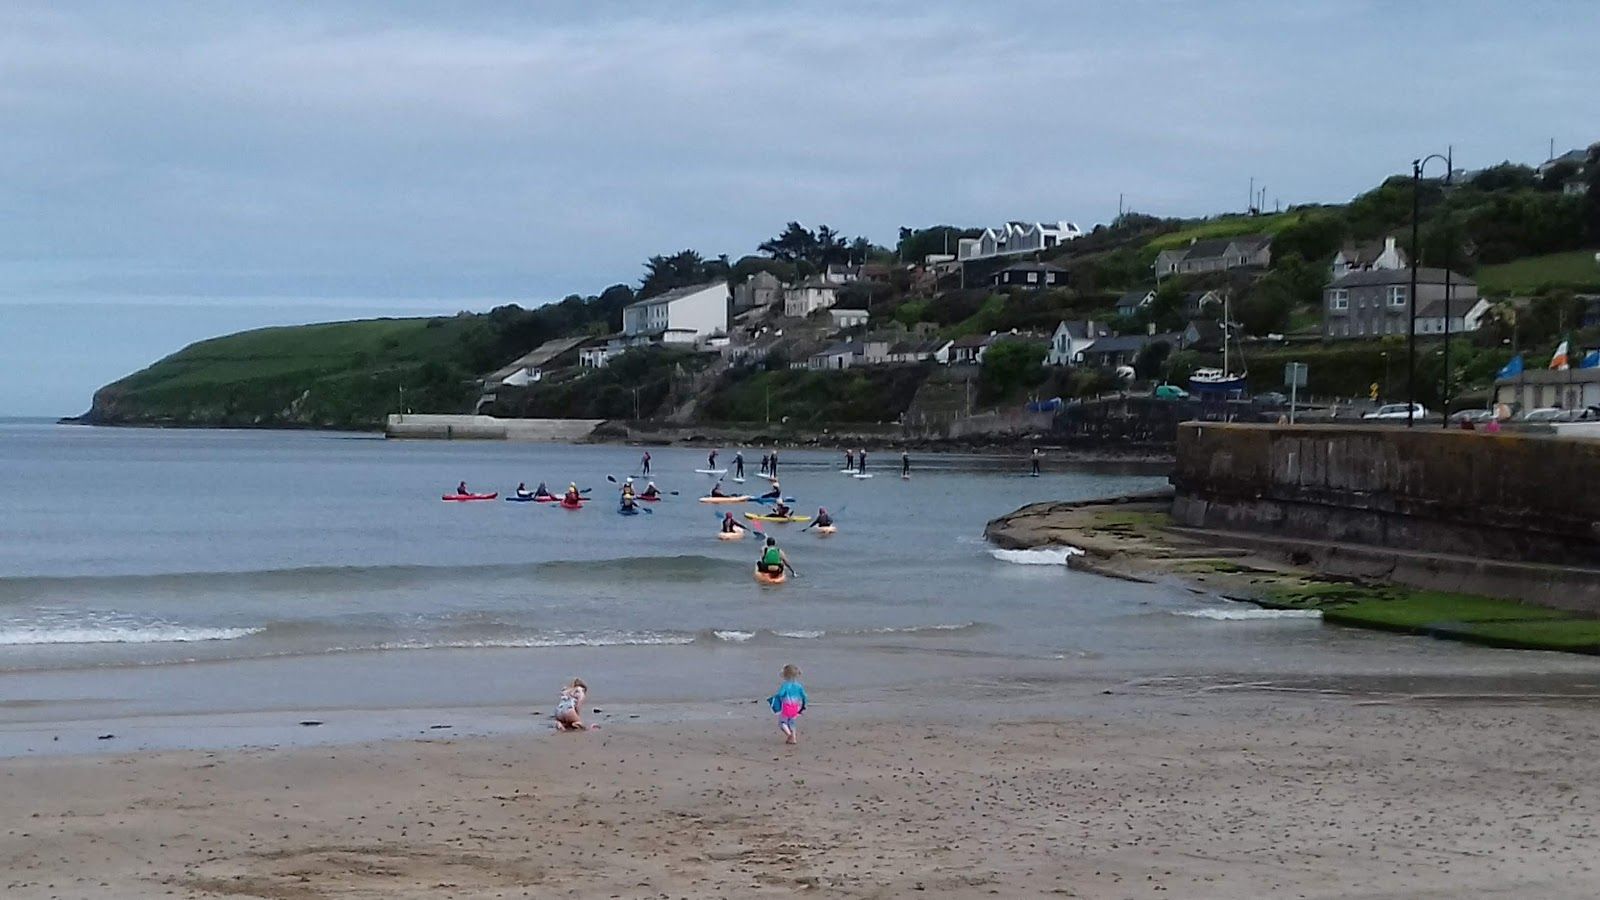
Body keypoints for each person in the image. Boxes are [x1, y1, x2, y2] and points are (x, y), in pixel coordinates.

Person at [767, 664, 807, 745]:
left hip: (786, 706)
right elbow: (804, 696)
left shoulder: (785, 685)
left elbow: (781, 694)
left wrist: (776, 697)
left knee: (782, 723)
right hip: (795, 707)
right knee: (791, 722)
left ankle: (789, 735)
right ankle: (794, 738)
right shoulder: (799, 686)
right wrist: (803, 705)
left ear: (785, 675)